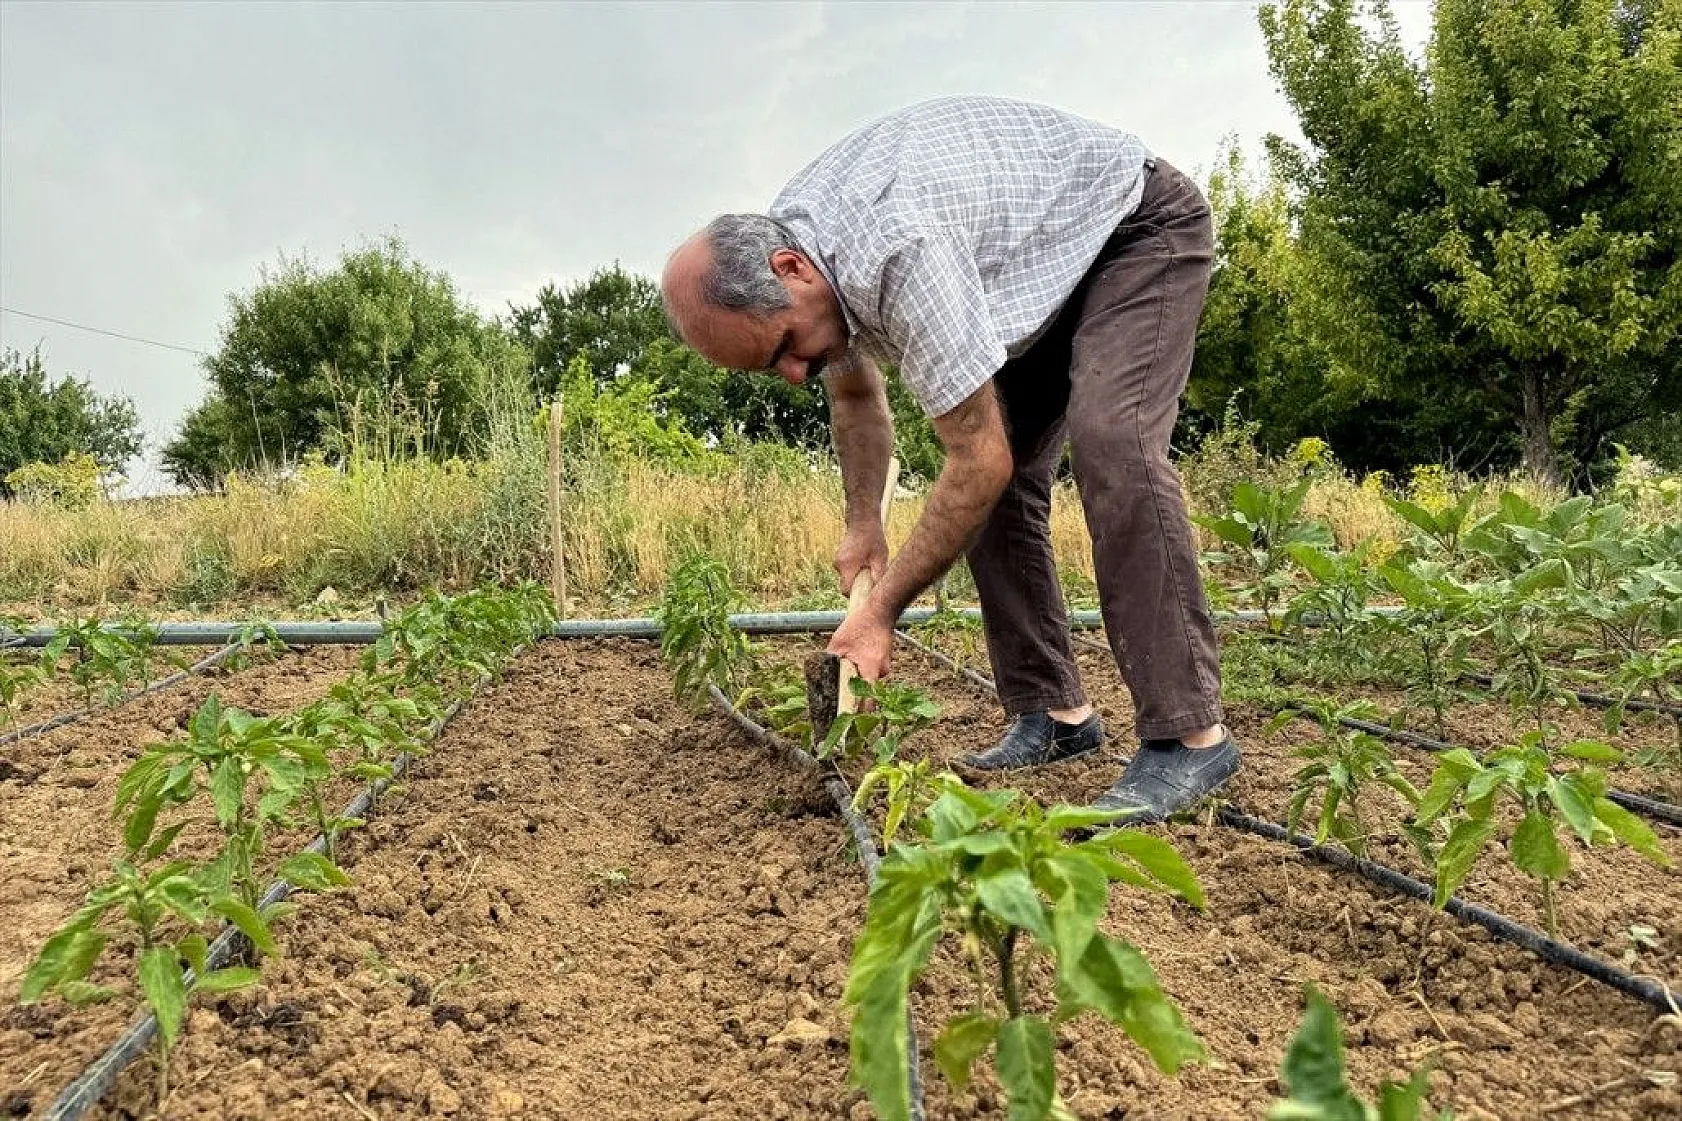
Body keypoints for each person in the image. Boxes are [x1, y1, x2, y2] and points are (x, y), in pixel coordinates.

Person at [659, 95, 1237, 821]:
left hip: (1132, 231)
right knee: (997, 490)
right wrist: (863, 525)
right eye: (772, 367)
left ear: (791, 269)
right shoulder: (801, 253)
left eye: (785, 348)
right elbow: (855, 396)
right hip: (1035, 275)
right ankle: (1056, 714)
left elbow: (977, 460)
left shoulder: (898, 250)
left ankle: (1190, 736)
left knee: (1111, 438)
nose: (794, 374)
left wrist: (880, 613)